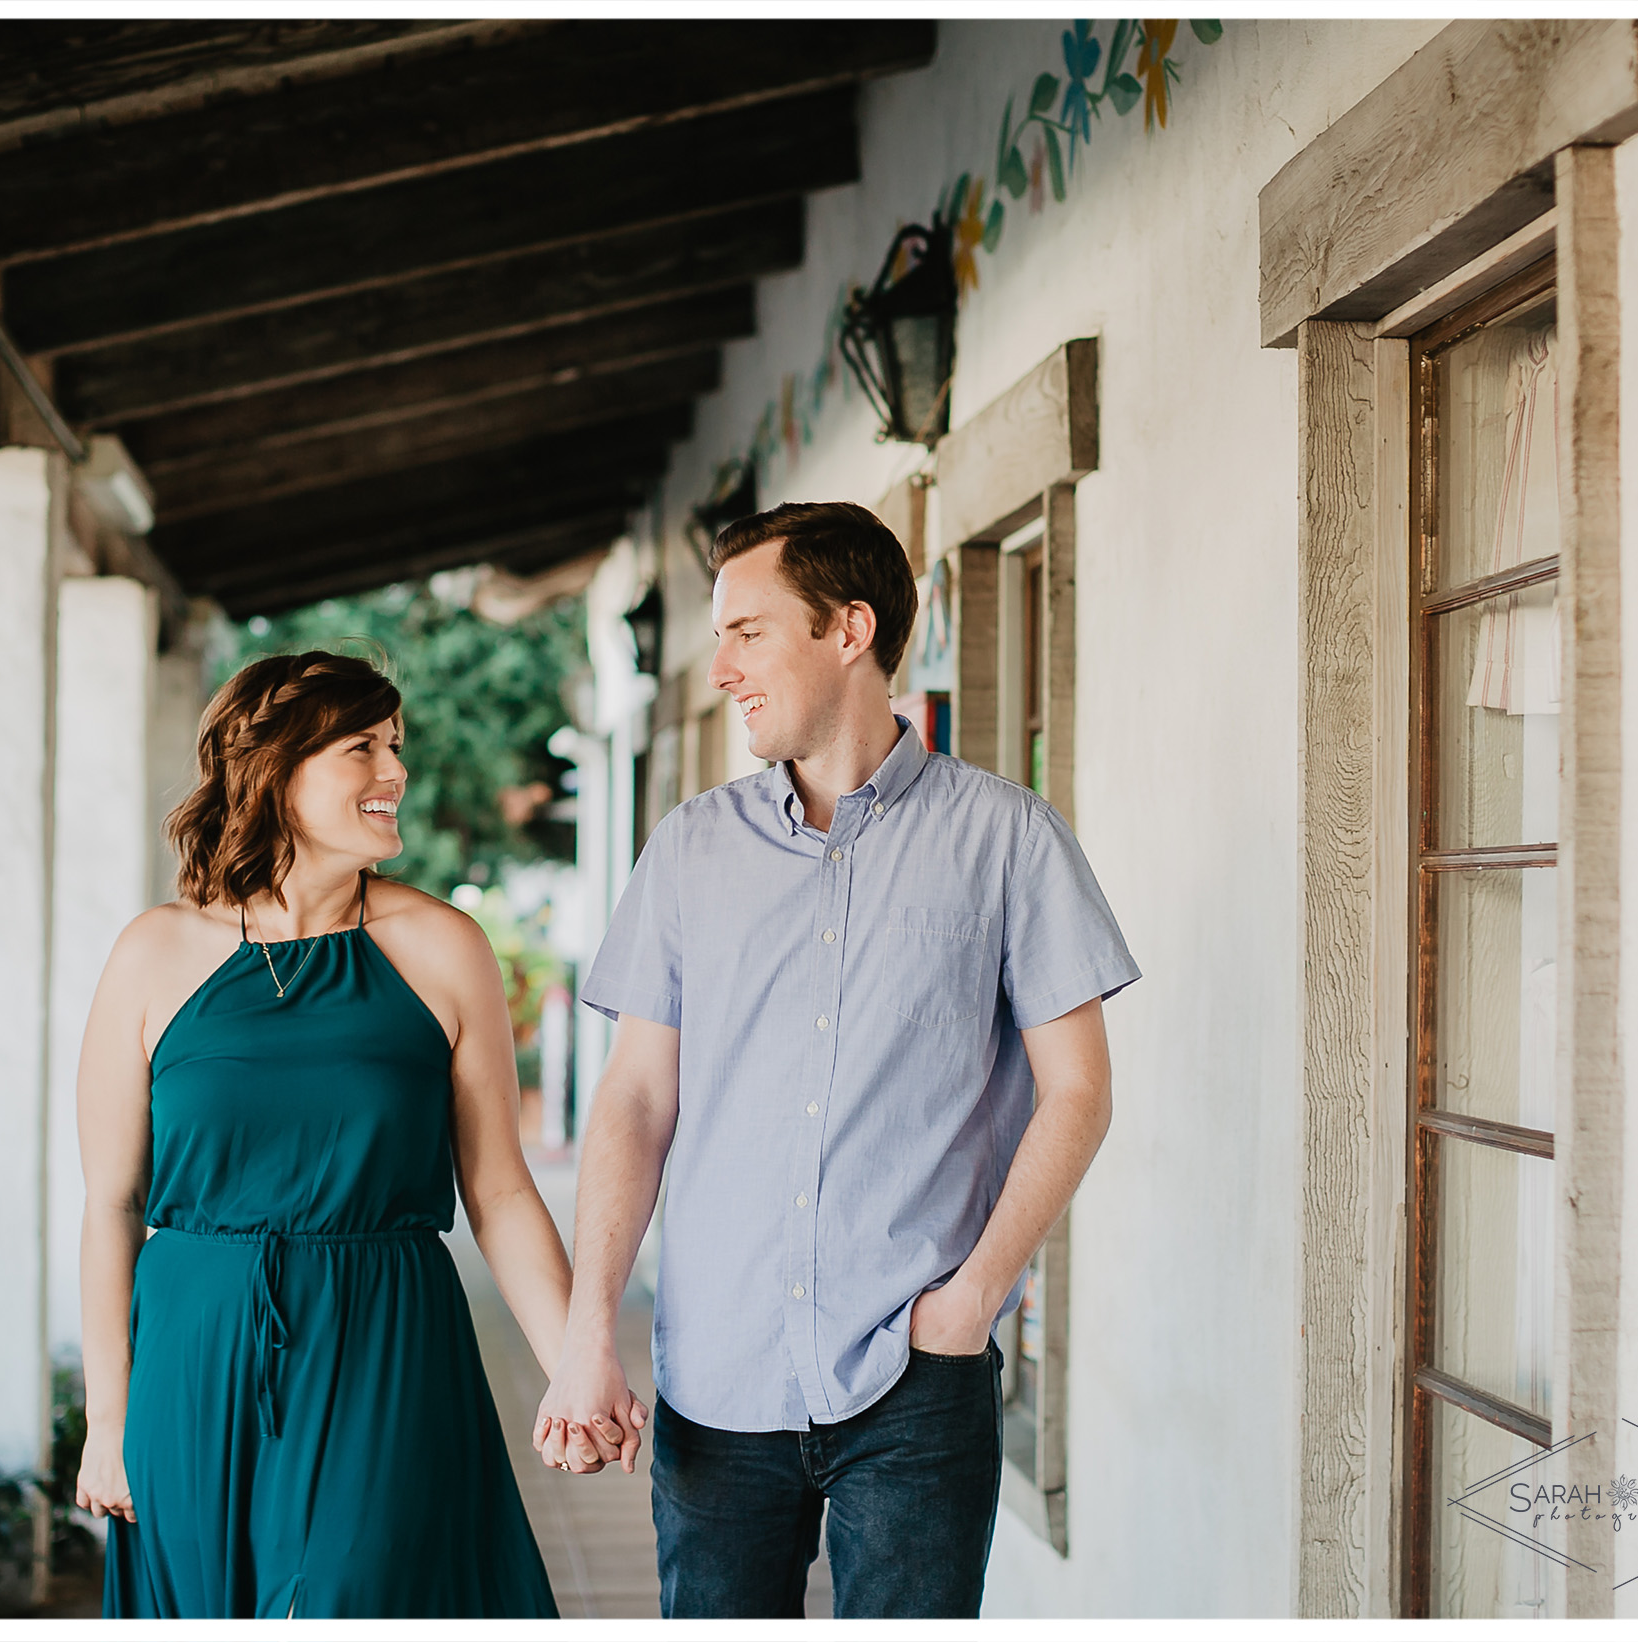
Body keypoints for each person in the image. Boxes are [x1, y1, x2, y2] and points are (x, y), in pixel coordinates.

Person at [536, 501, 1140, 1618]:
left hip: (917, 1376)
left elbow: (1079, 1091)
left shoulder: (1008, 838)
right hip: (717, 1375)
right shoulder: (689, 851)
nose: (719, 667)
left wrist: (972, 1302)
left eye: (747, 631)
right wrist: (587, 1336)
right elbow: (632, 1100)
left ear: (848, 629)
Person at [73, 650, 610, 1618]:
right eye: (362, 746)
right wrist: (106, 1419)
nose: (395, 771)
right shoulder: (153, 953)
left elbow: (498, 1189)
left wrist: (578, 1361)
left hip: (383, 1333)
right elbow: (112, 1203)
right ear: (271, 768)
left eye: (395, 744)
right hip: (193, 1344)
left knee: (359, 1591)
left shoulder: (444, 948)